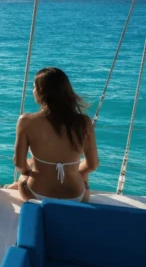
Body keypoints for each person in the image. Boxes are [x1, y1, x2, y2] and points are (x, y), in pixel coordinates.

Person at [9, 67, 99, 202]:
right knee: (82, 174)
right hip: (77, 197)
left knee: (22, 178)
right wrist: (73, 172)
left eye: (34, 87)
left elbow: (19, 164)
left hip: (37, 195)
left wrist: (31, 174)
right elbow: (92, 165)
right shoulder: (84, 122)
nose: (33, 91)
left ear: (41, 92)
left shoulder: (26, 121)